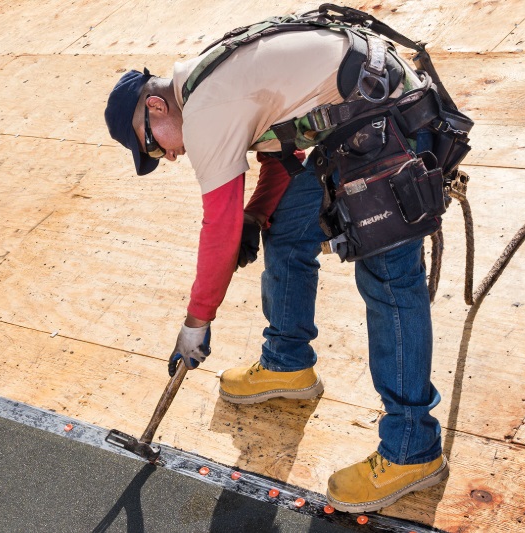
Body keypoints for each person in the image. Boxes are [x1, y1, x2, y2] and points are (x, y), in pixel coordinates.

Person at [104, 13, 449, 513]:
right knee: (286, 228)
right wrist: (258, 214)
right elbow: (282, 156)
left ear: (155, 104)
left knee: (390, 281)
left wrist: (196, 322)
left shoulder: (207, 107)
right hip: (354, 123)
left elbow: (217, 229)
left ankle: (412, 447)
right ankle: (288, 365)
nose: (169, 156)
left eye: (153, 144)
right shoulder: (202, 79)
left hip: (391, 125)